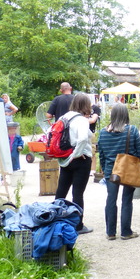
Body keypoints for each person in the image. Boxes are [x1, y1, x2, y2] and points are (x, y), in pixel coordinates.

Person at [98, 103, 140, 240]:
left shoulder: (103, 132)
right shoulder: (132, 130)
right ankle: (126, 232)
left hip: (110, 172)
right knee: (127, 200)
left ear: (112, 116)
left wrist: (105, 169)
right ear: (126, 115)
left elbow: (101, 154)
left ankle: (111, 233)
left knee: (111, 200)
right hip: (128, 170)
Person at [54, 93, 94, 234]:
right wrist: (76, 154)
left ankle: (54, 219)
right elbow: (83, 139)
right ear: (85, 105)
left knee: (61, 191)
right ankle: (78, 225)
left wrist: (68, 156)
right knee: (77, 194)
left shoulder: (64, 117)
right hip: (80, 160)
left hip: (65, 159)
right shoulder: (82, 120)